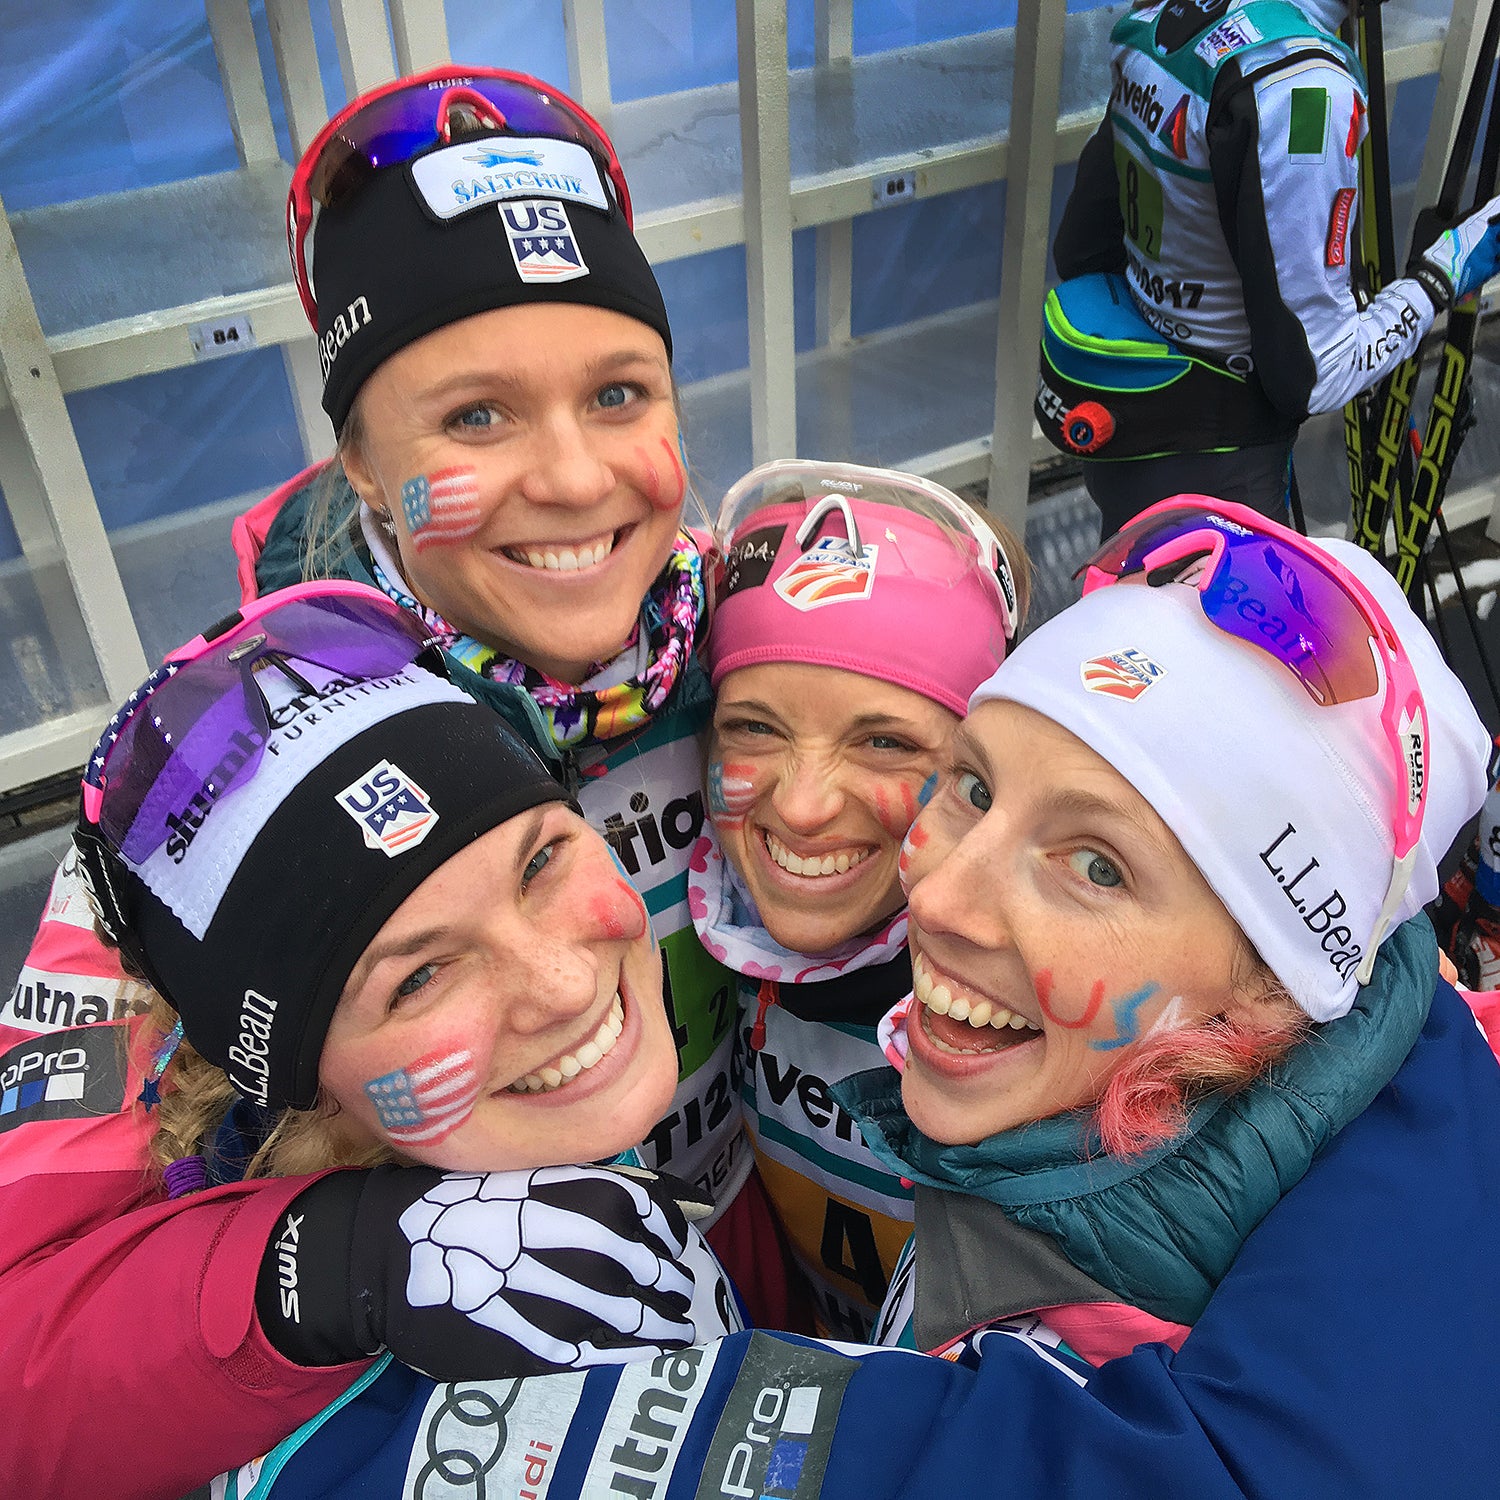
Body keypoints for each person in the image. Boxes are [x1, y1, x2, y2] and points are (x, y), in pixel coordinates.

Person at [8, 63, 771, 1312]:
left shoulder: (756, 628)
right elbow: (31, 1305)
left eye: (619, 393)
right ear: (360, 461)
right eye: (477, 417)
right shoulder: (211, 763)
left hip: (741, 1238)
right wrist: (351, 1269)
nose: (578, 481)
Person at [1, 582, 740, 1495]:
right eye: (419, 977)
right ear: (303, 1082)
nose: (561, 985)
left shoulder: (497, 1136)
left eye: (541, 861)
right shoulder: (344, 1445)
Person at [828, 497, 1495, 1366]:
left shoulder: (1084, 1395)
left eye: (1098, 866)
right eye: (975, 789)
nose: (942, 898)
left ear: (1272, 987)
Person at [689, 459, 1023, 1337]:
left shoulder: (1027, 995)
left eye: (882, 743)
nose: (801, 806)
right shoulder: (714, 917)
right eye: (753, 728)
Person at [1042, 0, 1500, 537]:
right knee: (1217, 624)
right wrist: (1445, 271)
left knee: (1132, 607)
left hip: (1129, 427)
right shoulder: (1303, 87)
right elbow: (1316, 376)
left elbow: (1081, 250)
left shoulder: (1157, 19)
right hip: (1220, 473)